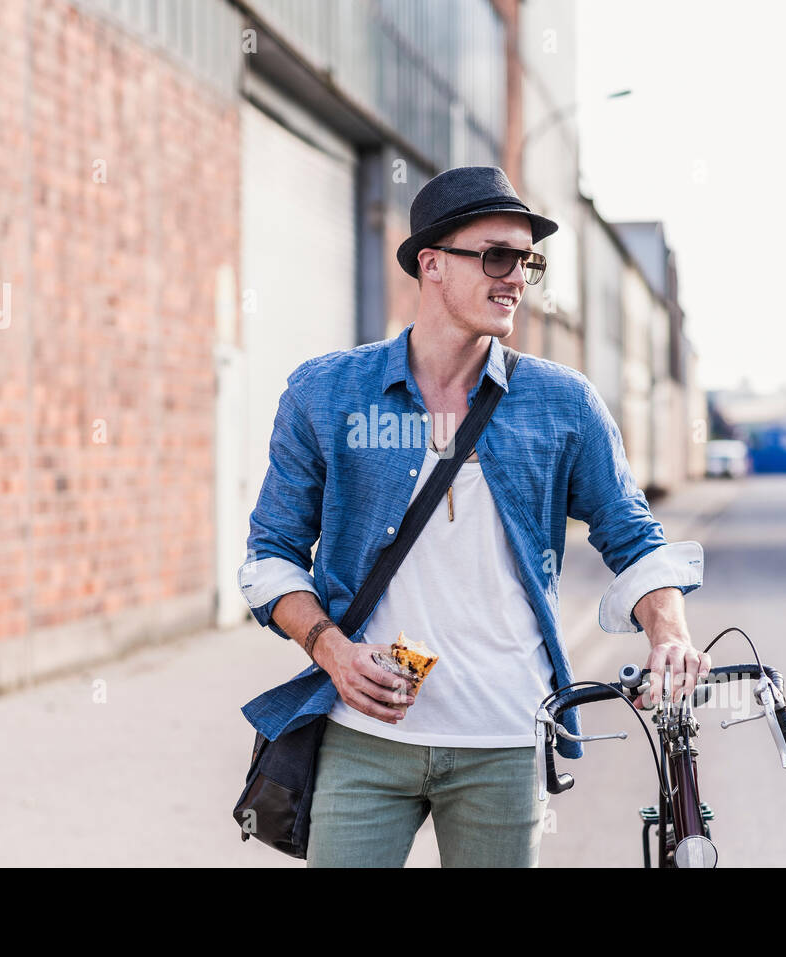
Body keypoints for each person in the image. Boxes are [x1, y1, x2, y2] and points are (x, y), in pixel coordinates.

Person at [237, 166, 708, 867]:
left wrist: (669, 633)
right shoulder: (327, 392)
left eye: (527, 261)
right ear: (432, 263)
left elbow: (634, 537)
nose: (516, 276)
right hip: (363, 737)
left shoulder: (562, 402)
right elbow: (269, 555)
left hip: (505, 740)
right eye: (496, 256)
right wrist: (332, 651)